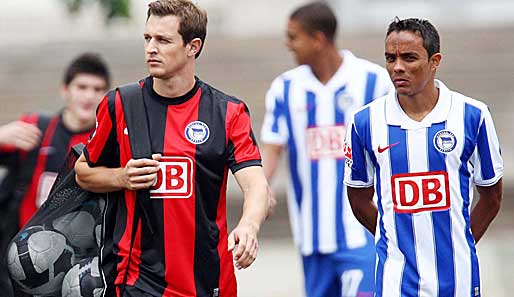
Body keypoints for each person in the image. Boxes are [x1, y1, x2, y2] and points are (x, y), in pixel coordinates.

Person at [74, 1, 269, 296]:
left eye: (163, 40)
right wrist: (121, 178)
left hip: (209, 279)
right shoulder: (120, 104)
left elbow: (256, 184)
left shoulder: (227, 112)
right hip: (137, 280)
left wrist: (249, 226)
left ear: (193, 46)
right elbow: (82, 172)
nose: (151, 48)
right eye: (147, 38)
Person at [344, 17, 503, 297]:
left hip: (458, 281)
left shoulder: (472, 115)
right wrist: (391, 239)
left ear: (434, 61)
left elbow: (491, 197)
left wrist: (460, 243)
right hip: (396, 282)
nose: (397, 67)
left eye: (409, 58)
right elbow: (358, 197)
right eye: (390, 58)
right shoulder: (365, 122)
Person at [260, 2, 392, 297]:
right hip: (311, 235)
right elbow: (272, 147)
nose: (288, 44)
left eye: (294, 37)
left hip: (363, 234)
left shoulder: (374, 82)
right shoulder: (285, 88)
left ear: (318, 39)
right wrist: (260, 189)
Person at [0, 52, 110, 296]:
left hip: (77, 268)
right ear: (65, 90)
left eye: (98, 89)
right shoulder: (36, 127)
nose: (89, 96)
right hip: (25, 258)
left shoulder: (107, 142)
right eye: (82, 86)